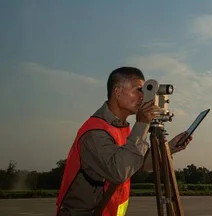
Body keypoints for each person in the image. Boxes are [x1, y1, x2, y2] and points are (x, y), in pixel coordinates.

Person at [56, 66, 193, 216]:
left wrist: (169, 148)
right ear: (117, 92)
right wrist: (141, 125)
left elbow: (136, 163)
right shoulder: (95, 132)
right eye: (138, 90)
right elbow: (120, 171)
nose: (143, 97)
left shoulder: (120, 127)